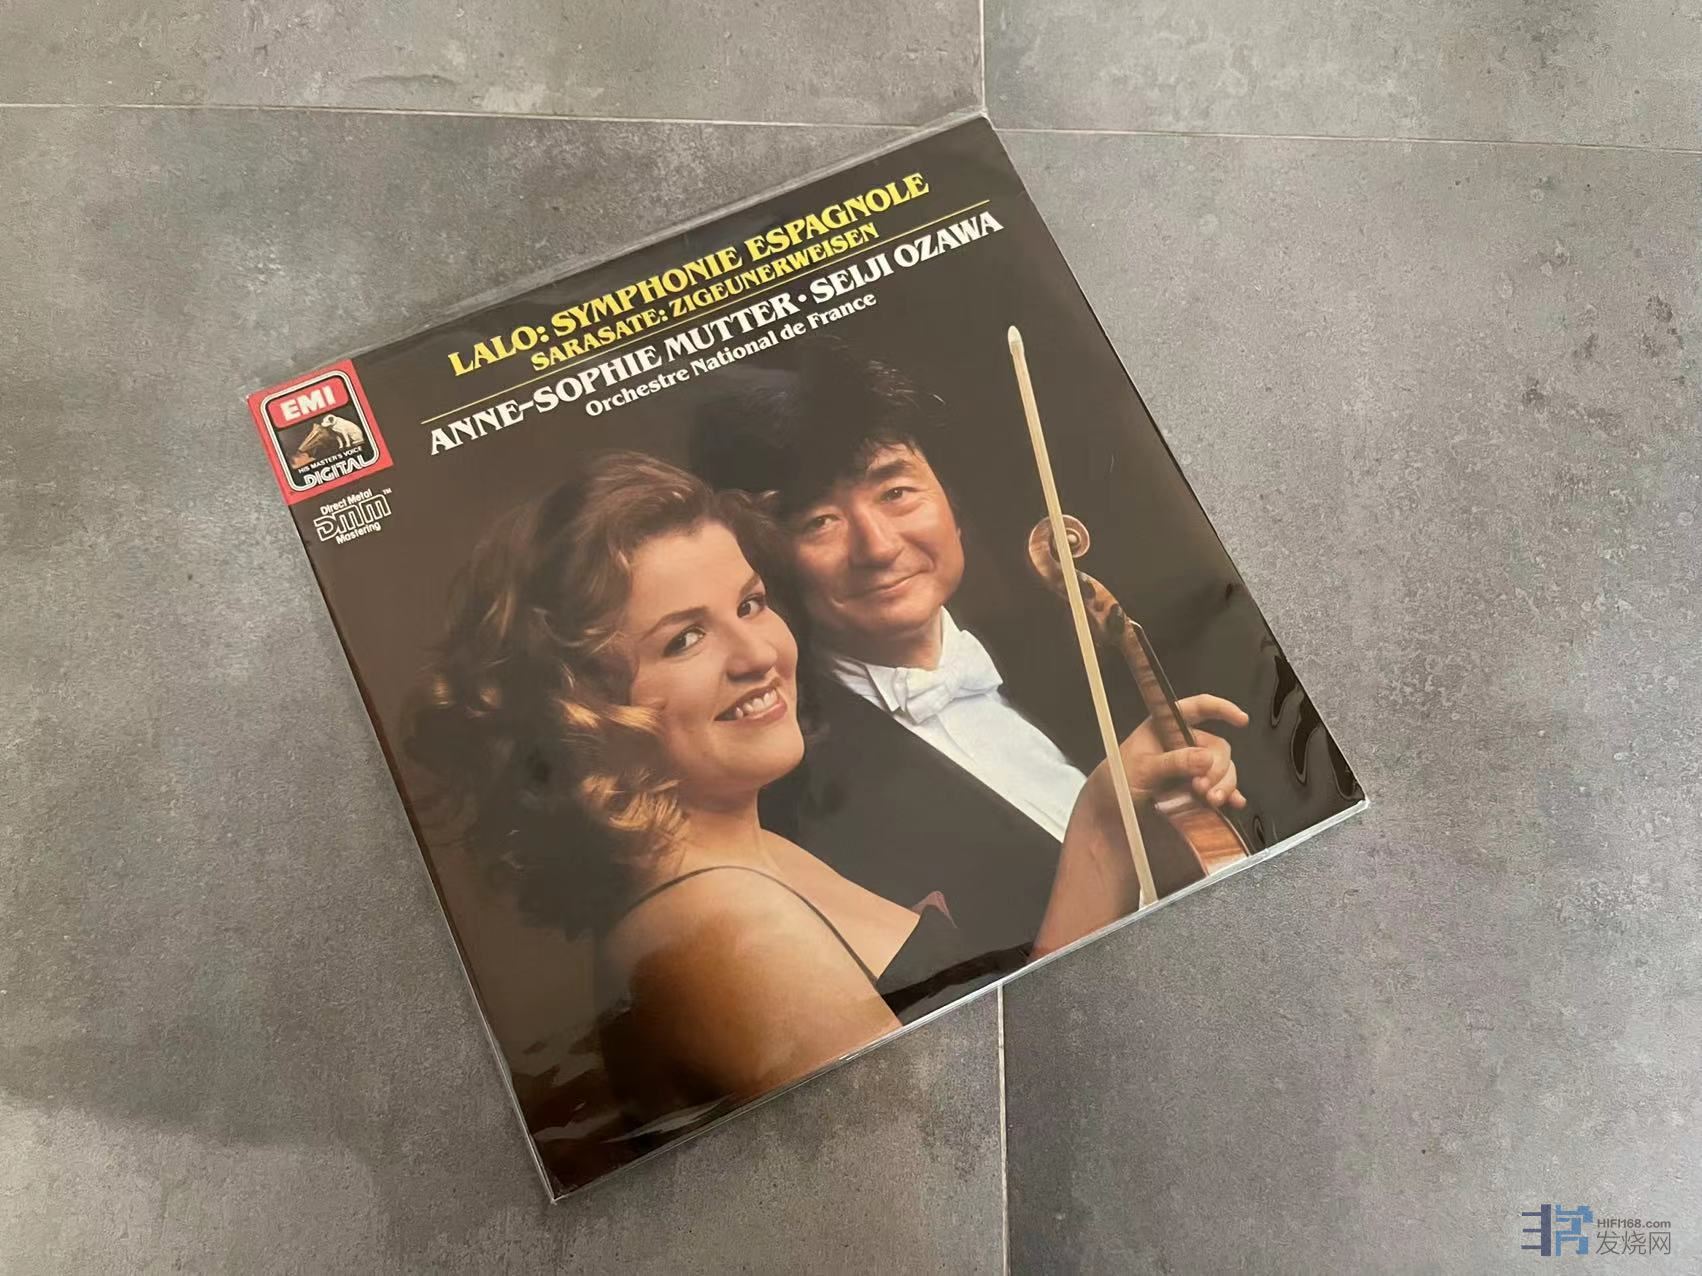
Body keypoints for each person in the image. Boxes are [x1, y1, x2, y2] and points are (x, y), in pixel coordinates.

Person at [407, 452, 1134, 1143]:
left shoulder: (752, 858)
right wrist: (1100, 834)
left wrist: (1114, 821)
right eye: (685, 640)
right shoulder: (715, 924)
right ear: (580, 712)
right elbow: (968, 1152)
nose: (759, 655)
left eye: (750, 604)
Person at [691, 339, 1251, 966]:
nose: (878, 547)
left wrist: (1181, 819)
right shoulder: (795, 805)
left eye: (896, 492)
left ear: (953, 508)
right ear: (771, 564)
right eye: (818, 521)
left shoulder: (1091, 658)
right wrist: (1105, 823)